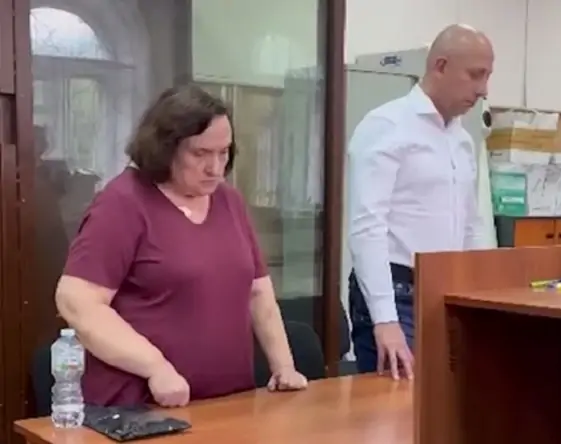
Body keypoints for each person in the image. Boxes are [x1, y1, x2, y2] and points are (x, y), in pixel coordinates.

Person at [55, 84, 308, 408]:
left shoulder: (228, 201)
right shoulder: (123, 203)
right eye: (200, 154)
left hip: (229, 404)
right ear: (165, 148)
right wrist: (155, 367)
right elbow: (77, 302)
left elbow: (258, 293)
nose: (215, 168)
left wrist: (284, 367)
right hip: (140, 408)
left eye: (223, 152)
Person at [347, 24, 495, 380]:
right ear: (440, 66)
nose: (483, 90)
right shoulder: (387, 126)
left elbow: (471, 225)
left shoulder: (461, 139)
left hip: (446, 287)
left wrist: (484, 293)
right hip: (397, 290)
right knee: (396, 405)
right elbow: (367, 226)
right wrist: (385, 320)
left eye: (487, 77)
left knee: (445, 399)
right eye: (475, 75)